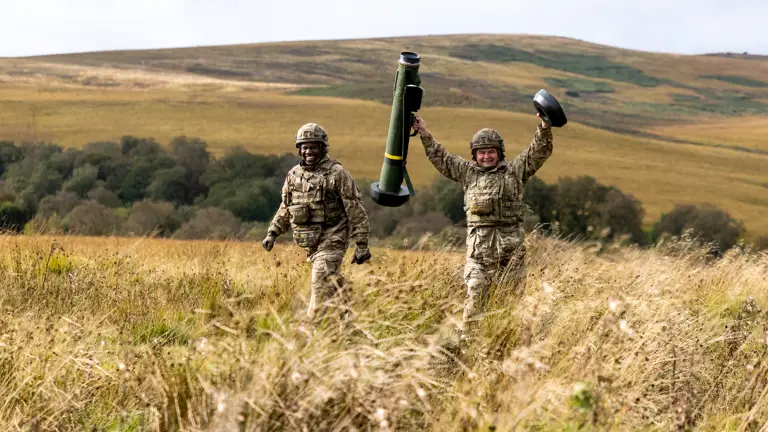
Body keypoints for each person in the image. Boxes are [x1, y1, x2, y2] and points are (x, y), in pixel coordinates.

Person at [411, 113, 554, 334]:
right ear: (474, 155)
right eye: (481, 152)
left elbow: (537, 152)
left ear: (499, 153)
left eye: (491, 152)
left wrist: (544, 126)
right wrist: (424, 133)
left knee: (509, 311)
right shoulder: (467, 173)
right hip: (478, 258)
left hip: (510, 260)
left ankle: (503, 351)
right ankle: (467, 350)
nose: (486, 157)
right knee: (475, 303)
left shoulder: (515, 172)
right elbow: (442, 158)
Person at [262, 123, 371, 322]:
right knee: (332, 283)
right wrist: (273, 233)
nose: (309, 151)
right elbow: (286, 207)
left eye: (313, 146)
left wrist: (362, 244)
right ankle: (349, 323)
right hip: (311, 243)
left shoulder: (338, 174)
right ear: (299, 149)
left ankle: (310, 332)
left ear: (322, 147)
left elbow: (355, 209)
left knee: (319, 282)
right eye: (305, 147)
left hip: (334, 239)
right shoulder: (294, 175)